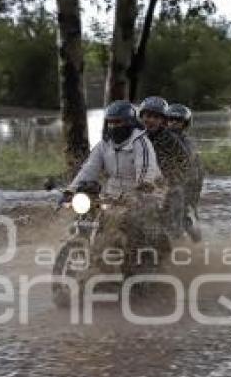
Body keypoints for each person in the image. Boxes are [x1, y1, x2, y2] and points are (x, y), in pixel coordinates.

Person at [67, 100, 166, 274]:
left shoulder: (141, 142)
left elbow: (146, 168)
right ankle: (85, 249)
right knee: (83, 215)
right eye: (110, 122)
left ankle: (139, 268)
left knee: (133, 229)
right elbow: (89, 168)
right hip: (112, 193)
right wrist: (71, 190)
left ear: (128, 123)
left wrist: (143, 185)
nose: (114, 126)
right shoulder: (104, 144)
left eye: (118, 122)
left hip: (145, 192)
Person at [138, 96, 192, 238]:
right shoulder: (134, 138)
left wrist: (170, 180)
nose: (150, 120)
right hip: (137, 185)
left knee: (172, 221)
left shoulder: (170, 139)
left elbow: (184, 163)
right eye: (147, 116)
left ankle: (176, 242)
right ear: (141, 117)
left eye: (155, 117)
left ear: (162, 120)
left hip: (166, 187)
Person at [167, 103, 204, 242]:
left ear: (184, 124)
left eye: (177, 121)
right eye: (170, 120)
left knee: (179, 216)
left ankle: (186, 239)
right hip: (164, 185)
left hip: (182, 186)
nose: (173, 123)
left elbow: (195, 171)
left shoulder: (187, 143)